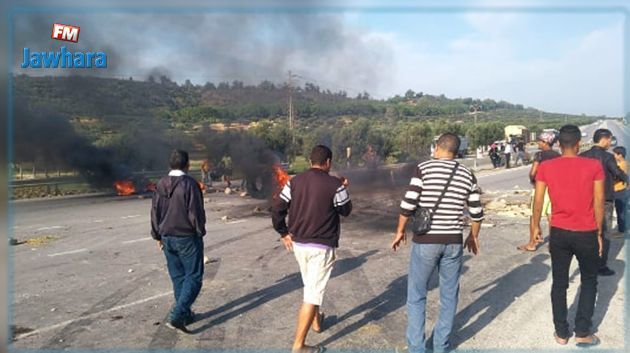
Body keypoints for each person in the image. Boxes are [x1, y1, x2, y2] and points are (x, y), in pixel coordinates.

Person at [392, 133, 484, 353]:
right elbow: (477, 213)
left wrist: (400, 231)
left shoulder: (424, 168)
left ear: (438, 147)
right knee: (449, 295)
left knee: (417, 294)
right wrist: (473, 236)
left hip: (426, 241)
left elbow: (408, 203)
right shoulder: (467, 174)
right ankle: (441, 346)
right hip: (453, 241)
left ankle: (417, 348)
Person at [271, 145, 352, 353]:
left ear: (310, 162)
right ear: (329, 162)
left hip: (299, 245)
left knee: (311, 285)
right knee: (312, 294)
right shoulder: (335, 185)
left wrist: (283, 233)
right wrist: (344, 187)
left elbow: (278, 209)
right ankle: (298, 345)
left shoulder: (294, 182)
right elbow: (346, 210)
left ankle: (316, 323)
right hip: (321, 246)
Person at [532, 124, 604, 346]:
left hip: (560, 233)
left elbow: (538, 201)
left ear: (559, 144)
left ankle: (561, 333)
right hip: (586, 232)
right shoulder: (594, 166)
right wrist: (599, 232)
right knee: (590, 280)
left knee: (559, 282)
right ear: (578, 144)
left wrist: (535, 226)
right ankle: (583, 331)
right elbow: (599, 203)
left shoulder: (546, 167)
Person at [151, 149, 206, 333]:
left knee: (178, 277)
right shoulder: (189, 184)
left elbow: (155, 211)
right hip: (187, 237)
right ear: (187, 164)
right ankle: (177, 314)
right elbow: (196, 212)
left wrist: (157, 236)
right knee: (194, 277)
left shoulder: (160, 184)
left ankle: (185, 314)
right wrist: (199, 232)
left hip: (167, 238)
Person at [579, 128, 628, 276]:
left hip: (585, 199)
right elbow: (617, 172)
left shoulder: (583, 155)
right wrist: (625, 178)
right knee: (604, 233)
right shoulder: (607, 157)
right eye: (610, 139)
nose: (610, 143)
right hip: (604, 199)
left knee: (586, 231)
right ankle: (600, 265)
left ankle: (585, 263)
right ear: (604, 139)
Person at [518, 131, 560, 251]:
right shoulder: (557, 155)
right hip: (554, 188)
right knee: (551, 216)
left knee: (534, 216)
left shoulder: (540, 155)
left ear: (546, 142)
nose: (538, 143)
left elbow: (533, 173)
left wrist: (533, 181)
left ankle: (532, 243)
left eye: (540, 141)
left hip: (541, 188)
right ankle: (553, 244)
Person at [613, 146, 628, 234]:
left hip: (619, 190)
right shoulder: (626, 163)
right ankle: (622, 228)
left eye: (615, 154)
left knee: (620, 210)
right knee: (622, 210)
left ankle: (621, 231)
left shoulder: (621, 166)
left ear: (620, 155)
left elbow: (618, 177)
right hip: (623, 189)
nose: (614, 155)